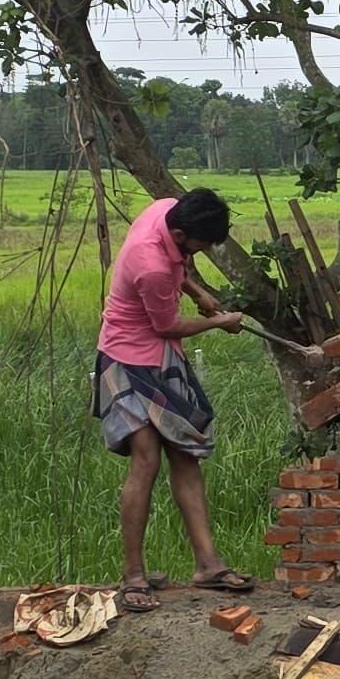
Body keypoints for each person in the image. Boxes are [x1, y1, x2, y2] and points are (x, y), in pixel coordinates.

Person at [98, 185, 253, 605]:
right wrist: (219, 322)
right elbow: (166, 326)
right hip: (127, 358)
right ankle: (133, 575)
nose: (200, 252)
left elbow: (178, 268)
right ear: (181, 234)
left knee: (185, 454)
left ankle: (208, 565)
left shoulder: (167, 208)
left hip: (163, 359)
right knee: (146, 458)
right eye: (200, 245)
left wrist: (198, 293)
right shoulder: (150, 265)